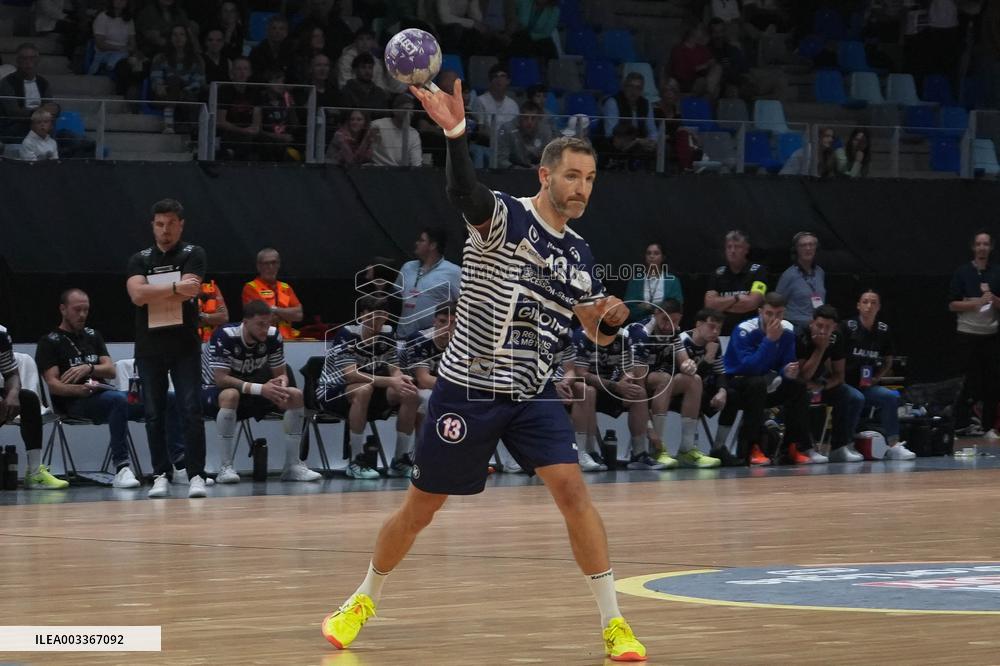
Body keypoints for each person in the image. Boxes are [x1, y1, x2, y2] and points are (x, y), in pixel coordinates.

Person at [320, 79, 647, 661]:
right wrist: (454, 134)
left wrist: (613, 319)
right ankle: (363, 597)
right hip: (467, 390)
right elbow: (463, 192)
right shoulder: (505, 219)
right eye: (572, 176)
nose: (582, 188)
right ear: (545, 176)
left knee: (573, 492)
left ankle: (614, 622)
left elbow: (593, 326)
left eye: (590, 179)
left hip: (534, 393)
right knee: (421, 508)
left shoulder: (580, 254)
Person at [126, 198, 209, 499]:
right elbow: (136, 296)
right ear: (153, 225)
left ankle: (196, 474)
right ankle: (161, 473)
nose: (165, 230)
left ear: (181, 224)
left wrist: (152, 291)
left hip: (184, 345)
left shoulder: (192, 253)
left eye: (171, 224)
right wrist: (174, 289)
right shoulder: (139, 258)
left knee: (191, 409)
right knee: (153, 413)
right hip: (149, 347)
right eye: (160, 224)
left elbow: (193, 287)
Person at [34, 288, 146, 488]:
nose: (82, 315)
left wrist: (89, 368)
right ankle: (122, 467)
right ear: (63, 309)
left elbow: (110, 371)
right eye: (77, 310)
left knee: (163, 398)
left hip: (104, 395)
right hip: (74, 403)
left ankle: (177, 465)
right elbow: (53, 385)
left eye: (86, 310)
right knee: (118, 400)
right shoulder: (49, 342)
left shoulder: (93, 335)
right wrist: (79, 390)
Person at [203, 299, 322, 484]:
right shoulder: (224, 335)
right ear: (246, 322)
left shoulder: (273, 336)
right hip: (212, 389)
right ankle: (225, 468)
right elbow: (221, 379)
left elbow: (280, 372)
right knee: (230, 395)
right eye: (260, 324)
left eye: (268, 324)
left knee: (295, 396)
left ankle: (292, 466)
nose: (265, 330)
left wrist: (281, 383)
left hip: (251, 387)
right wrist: (261, 389)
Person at [317, 297, 420, 479]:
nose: (375, 322)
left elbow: (394, 367)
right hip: (333, 391)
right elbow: (351, 375)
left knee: (409, 393)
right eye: (370, 317)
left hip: (371, 389)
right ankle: (356, 461)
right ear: (362, 316)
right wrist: (390, 382)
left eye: (379, 317)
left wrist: (399, 378)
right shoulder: (347, 335)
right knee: (363, 389)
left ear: (386, 317)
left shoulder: (388, 333)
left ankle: (399, 461)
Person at [723, 292, 826, 466]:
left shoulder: (787, 330)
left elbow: (786, 362)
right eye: (769, 313)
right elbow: (750, 367)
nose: (774, 318)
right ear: (760, 312)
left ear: (784, 313)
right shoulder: (744, 330)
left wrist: (788, 371)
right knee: (757, 383)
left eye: (779, 314)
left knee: (799, 386)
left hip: (768, 383)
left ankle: (791, 447)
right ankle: (751, 448)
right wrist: (770, 340)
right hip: (738, 385)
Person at [628, 299, 721, 469]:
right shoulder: (641, 333)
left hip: (659, 382)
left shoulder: (673, 330)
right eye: (664, 319)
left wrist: (690, 365)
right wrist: (650, 429)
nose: (668, 326)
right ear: (655, 314)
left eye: (675, 321)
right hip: (630, 382)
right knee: (665, 378)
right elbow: (638, 383)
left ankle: (686, 450)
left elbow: (684, 361)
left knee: (694, 380)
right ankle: (657, 448)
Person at [574, 324, 661, 471]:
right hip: (589, 387)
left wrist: (627, 380)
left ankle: (639, 453)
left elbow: (627, 370)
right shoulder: (582, 335)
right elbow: (581, 374)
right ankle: (590, 452)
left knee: (638, 392)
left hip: (613, 386)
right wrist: (615, 386)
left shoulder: (623, 336)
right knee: (588, 392)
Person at [841, 290, 916, 460]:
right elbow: (834, 357)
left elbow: (888, 360)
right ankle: (846, 444)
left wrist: (876, 378)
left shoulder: (883, 330)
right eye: (865, 302)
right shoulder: (848, 326)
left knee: (890, 397)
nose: (869, 306)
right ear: (858, 305)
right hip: (845, 383)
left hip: (866, 385)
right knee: (856, 398)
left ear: (879, 307)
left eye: (873, 302)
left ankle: (894, 445)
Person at [948, 230, 1000, 438]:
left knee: (993, 381)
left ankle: (988, 427)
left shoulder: (997, 272)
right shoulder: (962, 272)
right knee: (969, 380)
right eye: (978, 244)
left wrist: (994, 300)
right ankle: (961, 424)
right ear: (973, 247)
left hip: (991, 335)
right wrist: (975, 303)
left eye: (986, 244)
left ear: (991, 248)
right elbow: (952, 304)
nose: (982, 248)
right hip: (968, 334)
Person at [1, 323, 65, 490]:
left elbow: (11, 374)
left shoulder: (1, 334)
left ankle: (35, 472)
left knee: (28, 399)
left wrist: (13, 395)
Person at [796, 305, 862, 463]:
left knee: (852, 396)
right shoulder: (800, 334)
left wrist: (822, 386)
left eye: (828, 327)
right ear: (812, 323)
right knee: (800, 395)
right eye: (819, 325)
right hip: (797, 383)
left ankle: (840, 447)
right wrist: (820, 349)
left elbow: (839, 376)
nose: (823, 331)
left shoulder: (837, 337)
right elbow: (802, 375)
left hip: (819, 382)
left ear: (835, 327)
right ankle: (806, 448)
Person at [679, 308, 744, 466]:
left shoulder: (714, 344)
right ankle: (687, 450)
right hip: (682, 392)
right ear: (698, 324)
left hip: (703, 390)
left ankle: (718, 447)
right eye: (711, 326)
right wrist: (708, 357)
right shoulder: (682, 341)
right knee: (694, 384)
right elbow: (689, 375)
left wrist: (722, 391)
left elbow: (720, 372)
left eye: (719, 328)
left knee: (732, 394)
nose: (715, 332)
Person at [394, 227, 463, 339]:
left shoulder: (453, 272)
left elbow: (463, 304)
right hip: (401, 338)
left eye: (421, 240)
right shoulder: (407, 268)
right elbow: (394, 299)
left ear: (432, 245)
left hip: (431, 340)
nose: (417, 243)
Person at [704, 230, 768, 335]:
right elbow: (710, 305)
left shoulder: (758, 271)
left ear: (746, 249)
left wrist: (722, 305)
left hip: (752, 332)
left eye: (737, 247)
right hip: (722, 332)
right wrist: (736, 298)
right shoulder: (718, 273)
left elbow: (753, 303)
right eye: (729, 247)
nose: (732, 251)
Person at [149, 25, 205, 134]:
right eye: (174, 34)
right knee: (173, 80)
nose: (178, 38)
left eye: (181, 34)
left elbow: (197, 82)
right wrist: (159, 86)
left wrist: (183, 91)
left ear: (187, 38)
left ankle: (170, 121)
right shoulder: (160, 58)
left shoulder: (196, 59)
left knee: (178, 83)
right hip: (165, 94)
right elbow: (156, 78)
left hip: (187, 94)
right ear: (170, 38)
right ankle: (170, 120)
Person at [242, 248, 304, 340]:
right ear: (259, 266)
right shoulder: (251, 288)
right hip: (264, 340)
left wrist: (274, 309)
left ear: (279, 265)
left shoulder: (286, 287)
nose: (270, 267)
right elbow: (260, 318)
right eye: (266, 264)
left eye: (274, 263)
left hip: (287, 340)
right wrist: (287, 314)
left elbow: (299, 315)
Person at [0, 43, 52, 144]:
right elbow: (13, 112)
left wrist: (55, 108)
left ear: (37, 60)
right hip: (15, 126)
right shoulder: (7, 82)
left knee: (64, 133)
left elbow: (49, 105)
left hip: (41, 124)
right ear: (18, 61)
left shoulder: (43, 83)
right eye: (24, 58)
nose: (28, 62)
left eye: (32, 58)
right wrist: (37, 113)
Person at [90, 0, 143, 99]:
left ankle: (133, 95)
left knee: (139, 65)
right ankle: (122, 95)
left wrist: (131, 52)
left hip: (124, 53)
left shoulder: (129, 20)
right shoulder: (102, 17)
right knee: (124, 66)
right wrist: (119, 48)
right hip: (106, 53)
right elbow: (100, 43)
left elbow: (132, 43)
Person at [775, 232, 826, 333]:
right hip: (796, 327)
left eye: (811, 245)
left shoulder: (820, 272)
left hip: (817, 325)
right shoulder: (789, 275)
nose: (808, 248)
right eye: (803, 245)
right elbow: (777, 302)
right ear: (796, 250)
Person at [623, 242, 684, 323]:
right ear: (645, 257)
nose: (651, 256)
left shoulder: (672, 280)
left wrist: (649, 307)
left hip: (665, 325)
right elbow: (628, 308)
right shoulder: (635, 280)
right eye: (649, 253)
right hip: (639, 324)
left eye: (656, 253)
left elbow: (677, 306)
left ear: (663, 257)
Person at [217, 57, 262, 161]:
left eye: (245, 69)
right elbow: (221, 121)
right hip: (229, 132)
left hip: (249, 133)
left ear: (250, 72)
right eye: (238, 69)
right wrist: (242, 130)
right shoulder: (224, 90)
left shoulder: (255, 92)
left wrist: (253, 129)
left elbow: (257, 120)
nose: (242, 72)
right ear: (232, 72)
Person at [470, 63, 519, 148]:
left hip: (509, 146)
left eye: (502, 76)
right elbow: (480, 130)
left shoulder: (513, 104)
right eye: (495, 76)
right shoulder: (480, 101)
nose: (499, 80)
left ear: (508, 81)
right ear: (491, 80)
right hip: (486, 144)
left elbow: (516, 130)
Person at [602, 72, 658, 146]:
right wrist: (634, 141)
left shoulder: (646, 104)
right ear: (624, 87)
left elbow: (652, 131)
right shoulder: (613, 102)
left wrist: (651, 142)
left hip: (642, 144)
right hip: (618, 144)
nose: (633, 91)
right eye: (630, 86)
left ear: (642, 90)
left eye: (638, 88)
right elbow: (610, 133)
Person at [668, 24, 721, 99]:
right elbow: (681, 71)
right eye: (699, 31)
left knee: (717, 68)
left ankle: (707, 94)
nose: (702, 35)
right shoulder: (678, 49)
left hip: (700, 78)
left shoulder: (702, 48)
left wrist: (708, 66)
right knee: (700, 82)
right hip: (684, 80)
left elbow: (712, 61)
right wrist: (702, 66)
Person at [496, 100, 553, 169]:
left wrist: (540, 167)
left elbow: (550, 158)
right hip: (513, 171)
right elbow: (500, 160)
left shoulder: (545, 131)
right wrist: (517, 169)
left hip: (537, 171)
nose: (529, 122)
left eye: (533, 118)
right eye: (526, 118)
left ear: (538, 119)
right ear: (519, 118)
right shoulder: (507, 130)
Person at [370, 94, 423, 167]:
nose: (409, 113)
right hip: (378, 171)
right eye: (406, 109)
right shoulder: (377, 125)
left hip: (402, 174)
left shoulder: (414, 134)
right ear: (395, 111)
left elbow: (416, 163)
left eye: (411, 110)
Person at [249, 14, 294, 82]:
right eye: (274, 28)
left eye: (281, 29)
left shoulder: (293, 51)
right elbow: (254, 75)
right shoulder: (257, 52)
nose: (277, 32)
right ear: (267, 31)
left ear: (286, 32)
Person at [198, 278, 229, 342]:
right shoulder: (178, 291)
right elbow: (190, 322)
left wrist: (201, 316)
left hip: (212, 341)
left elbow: (224, 318)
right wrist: (213, 318)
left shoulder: (211, 288)